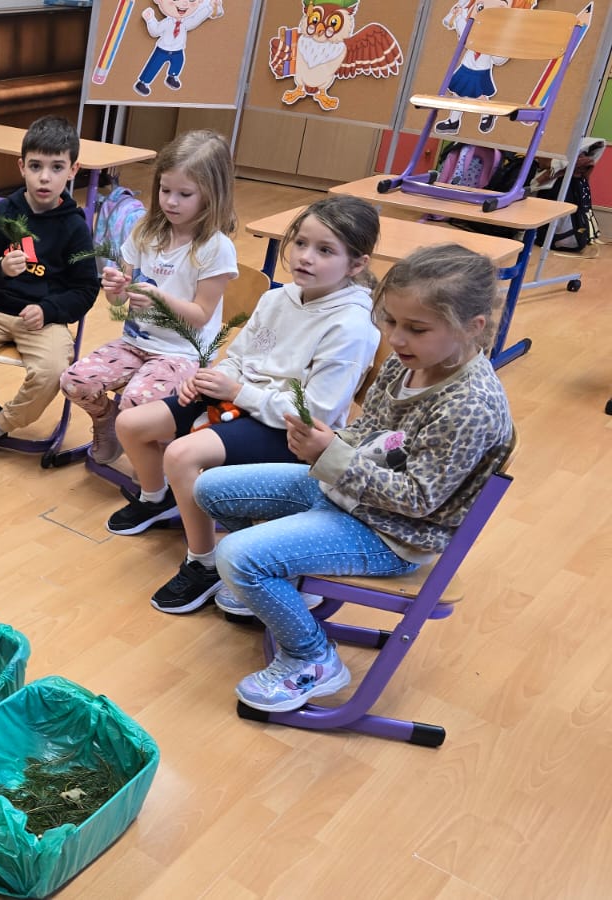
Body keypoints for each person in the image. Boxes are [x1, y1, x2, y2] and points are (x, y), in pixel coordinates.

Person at [196, 244, 513, 712]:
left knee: (237, 556)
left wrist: (332, 456)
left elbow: (418, 499)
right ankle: (278, 581)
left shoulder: (469, 405)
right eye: (391, 321)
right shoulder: (406, 363)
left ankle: (312, 657)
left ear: (473, 327)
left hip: (392, 534)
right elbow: (371, 429)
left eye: (416, 328)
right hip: (346, 492)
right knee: (210, 489)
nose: (396, 338)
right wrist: (330, 441)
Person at [115, 196, 383, 613]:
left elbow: (316, 414)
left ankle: (203, 562)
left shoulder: (351, 326)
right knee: (131, 424)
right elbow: (240, 357)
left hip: (289, 432)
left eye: (325, 250)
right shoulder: (279, 298)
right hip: (240, 401)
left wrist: (238, 392)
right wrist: (208, 381)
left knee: (182, 455)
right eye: (300, 243)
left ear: (356, 264)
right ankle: (159, 500)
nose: (305, 257)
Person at [59, 129, 239, 478]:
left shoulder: (216, 248)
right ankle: (108, 423)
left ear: (211, 194)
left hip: (183, 354)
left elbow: (201, 316)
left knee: (137, 404)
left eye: (184, 194)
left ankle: (159, 456)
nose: (171, 201)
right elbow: (119, 299)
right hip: (135, 343)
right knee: (74, 381)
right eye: (165, 190)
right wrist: (115, 287)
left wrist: (160, 298)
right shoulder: (146, 231)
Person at [0, 114, 101, 461]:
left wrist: (48, 310)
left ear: (73, 170)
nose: (45, 177)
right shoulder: (2, 214)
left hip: (44, 321)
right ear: (21, 166)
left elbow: (86, 289)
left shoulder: (74, 226)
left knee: (53, 372)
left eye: (57, 167)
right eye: (36, 166)